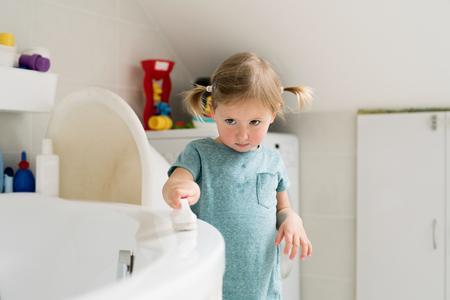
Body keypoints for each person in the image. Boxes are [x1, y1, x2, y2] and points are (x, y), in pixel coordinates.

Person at [163, 52, 313, 300]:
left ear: (272, 115)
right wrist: (180, 187)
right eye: (231, 120)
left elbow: (282, 209)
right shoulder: (199, 153)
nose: (242, 135)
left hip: (260, 284)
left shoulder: (272, 161)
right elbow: (174, 182)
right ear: (211, 110)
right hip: (210, 282)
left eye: (255, 122)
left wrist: (292, 219)